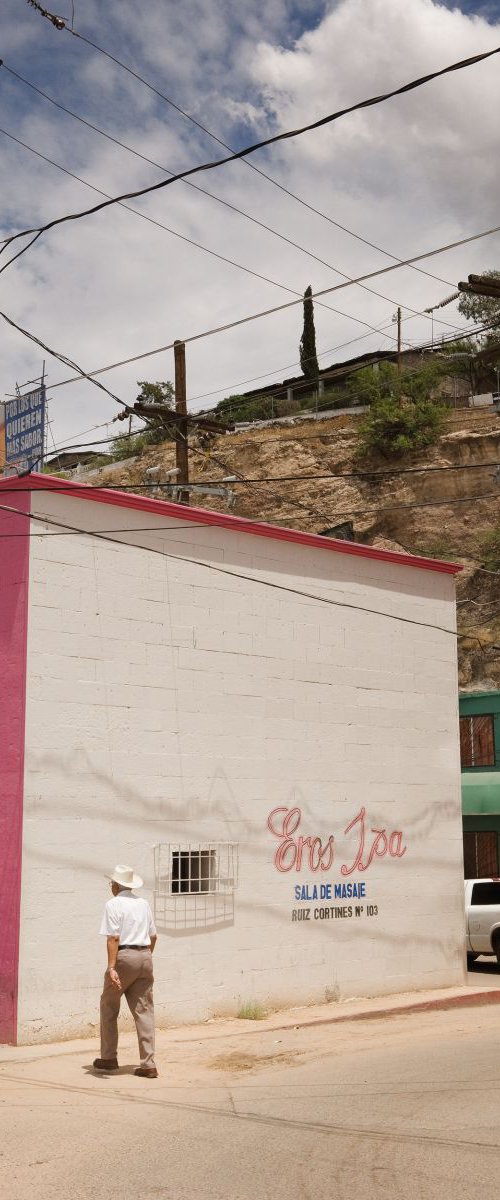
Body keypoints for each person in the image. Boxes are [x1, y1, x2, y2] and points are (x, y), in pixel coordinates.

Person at [93, 864, 158, 1079]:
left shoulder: (113, 904)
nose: (111, 886)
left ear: (117, 885)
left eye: (112, 883)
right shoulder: (143, 903)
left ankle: (109, 1057)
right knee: (144, 1011)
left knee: (109, 1005)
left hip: (124, 957)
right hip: (145, 956)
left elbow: (113, 938)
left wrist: (112, 967)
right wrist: (144, 957)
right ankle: (148, 1064)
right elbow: (153, 936)